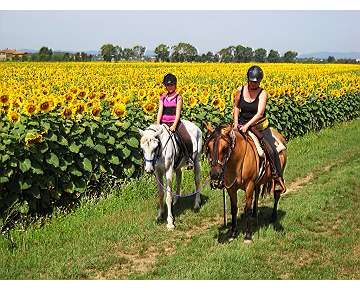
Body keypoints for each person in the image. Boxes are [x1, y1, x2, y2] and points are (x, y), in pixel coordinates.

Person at [233, 65, 286, 194]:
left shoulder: (263, 93)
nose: (254, 84)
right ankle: (225, 176)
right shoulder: (240, 90)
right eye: (252, 81)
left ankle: (277, 178)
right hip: (240, 125)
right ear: (248, 79)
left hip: (259, 127)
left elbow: (260, 113)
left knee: (272, 149)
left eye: (256, 82)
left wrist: (247, 125)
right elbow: (236, 106)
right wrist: (235, 124)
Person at [156, 73, 193, 167]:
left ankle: (188, 158)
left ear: (175, 85)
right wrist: (157, 123)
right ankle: (152, 161)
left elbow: (178, 114)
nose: (170, 87)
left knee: (186, 137)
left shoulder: (178, 98)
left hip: (174, 123)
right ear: (165, 86)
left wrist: (174, 125)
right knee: (151, 138)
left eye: (172, 84)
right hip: (163, 123)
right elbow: (160, 111)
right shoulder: (162, 97)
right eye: (168, 85)